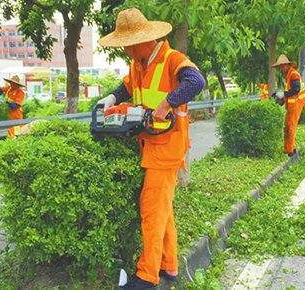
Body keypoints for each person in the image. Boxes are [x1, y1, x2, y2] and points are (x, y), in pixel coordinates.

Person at [94, 8, 204, 290]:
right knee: (163, 211)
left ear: (143, 40)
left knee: (152, 212)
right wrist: (111, 98)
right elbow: (127, 88)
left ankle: (147, 276)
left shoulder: (172, 59)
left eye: (128, 45)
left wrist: (167, 104)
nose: (126, 51)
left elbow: (196, 82)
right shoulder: (139, 64)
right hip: (150, 145)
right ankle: (169, 266)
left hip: (167, 149)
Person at [272, 55, 305, 156]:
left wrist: (284, 94)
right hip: (293, 104)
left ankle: (290, 151)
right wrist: (282, 99)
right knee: (288, 127)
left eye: (283, 66)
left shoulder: (293, 75)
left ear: (288, 65)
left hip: (296, 104)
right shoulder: (289, 76)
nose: (281, 68)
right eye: (280, 66)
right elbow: (290, 91)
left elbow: (296, 89)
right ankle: (290, 148)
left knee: (290, 127)